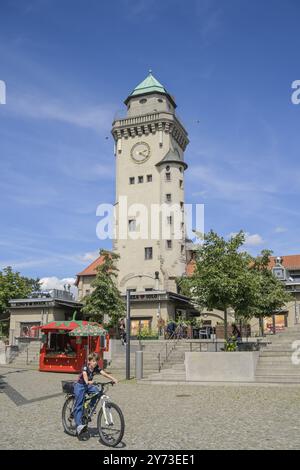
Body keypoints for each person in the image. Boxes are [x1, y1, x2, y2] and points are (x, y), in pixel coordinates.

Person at [73, 352, 118, 436]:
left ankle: (90, 407)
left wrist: (113, 378)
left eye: (96, 361)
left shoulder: (96, 367)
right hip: (80, 386)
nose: (95, 363)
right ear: (89, 361)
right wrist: (88, 381)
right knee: (79, 405)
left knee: (97, 392)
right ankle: (79, 426)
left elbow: (103, 373)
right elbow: (85, 374)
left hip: (89, 386)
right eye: (93, 361)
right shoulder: (85, 367)